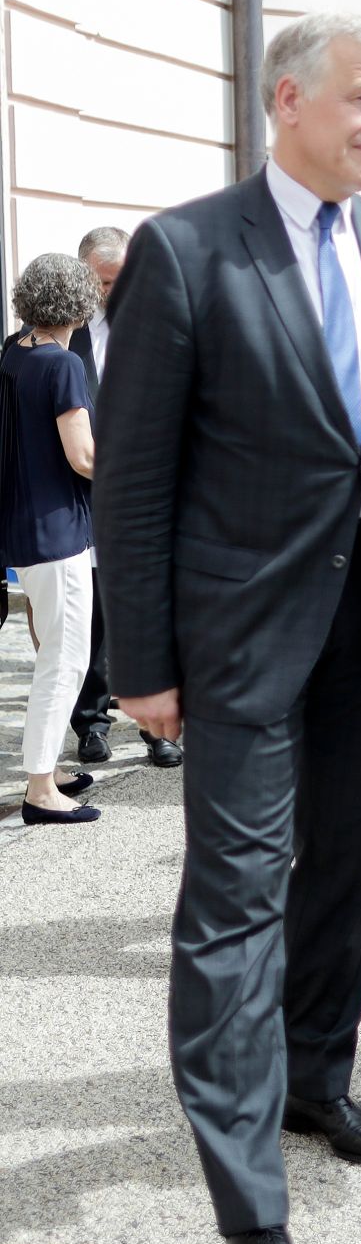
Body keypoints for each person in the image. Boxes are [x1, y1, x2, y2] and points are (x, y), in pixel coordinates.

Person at [93, 11, 361, 1244]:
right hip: (237, 639)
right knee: (233, 899)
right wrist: (140, 655)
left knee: (351, 861)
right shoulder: (186, 248)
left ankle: (317, 1077)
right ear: (289, 99)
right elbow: (139, 474)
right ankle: (252, 1214)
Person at [0, 253, 102, 824]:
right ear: (80, 306)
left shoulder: (16, 348)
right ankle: (41, 788)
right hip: (57, 529)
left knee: (50, 653)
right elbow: (83, 456)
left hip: (21, 524)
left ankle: (50, 766)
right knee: (65, 659)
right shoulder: (63, 365)